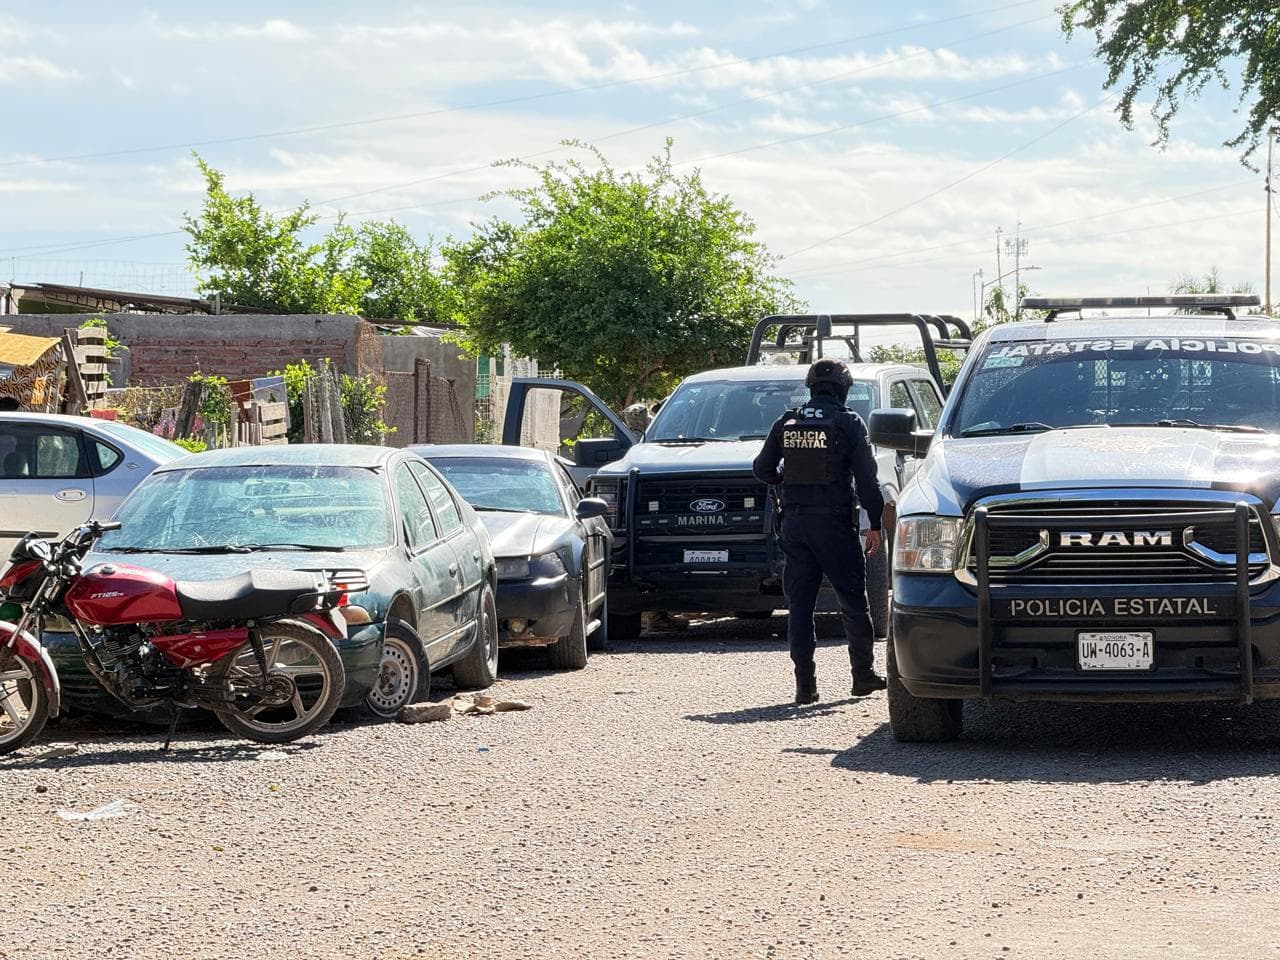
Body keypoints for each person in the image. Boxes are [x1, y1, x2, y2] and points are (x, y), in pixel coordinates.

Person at [752, 357, 886, 704]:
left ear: (812, 387)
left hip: (795, 525)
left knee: (800, 606)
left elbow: (762, 468)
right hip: (835, 525)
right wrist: (874, 523)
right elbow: (868, 481)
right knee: (854, 602)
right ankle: (862, 677)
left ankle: (805, 687)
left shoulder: (788, 421)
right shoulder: (848, 422)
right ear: (844, 389)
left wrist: (785, 480)